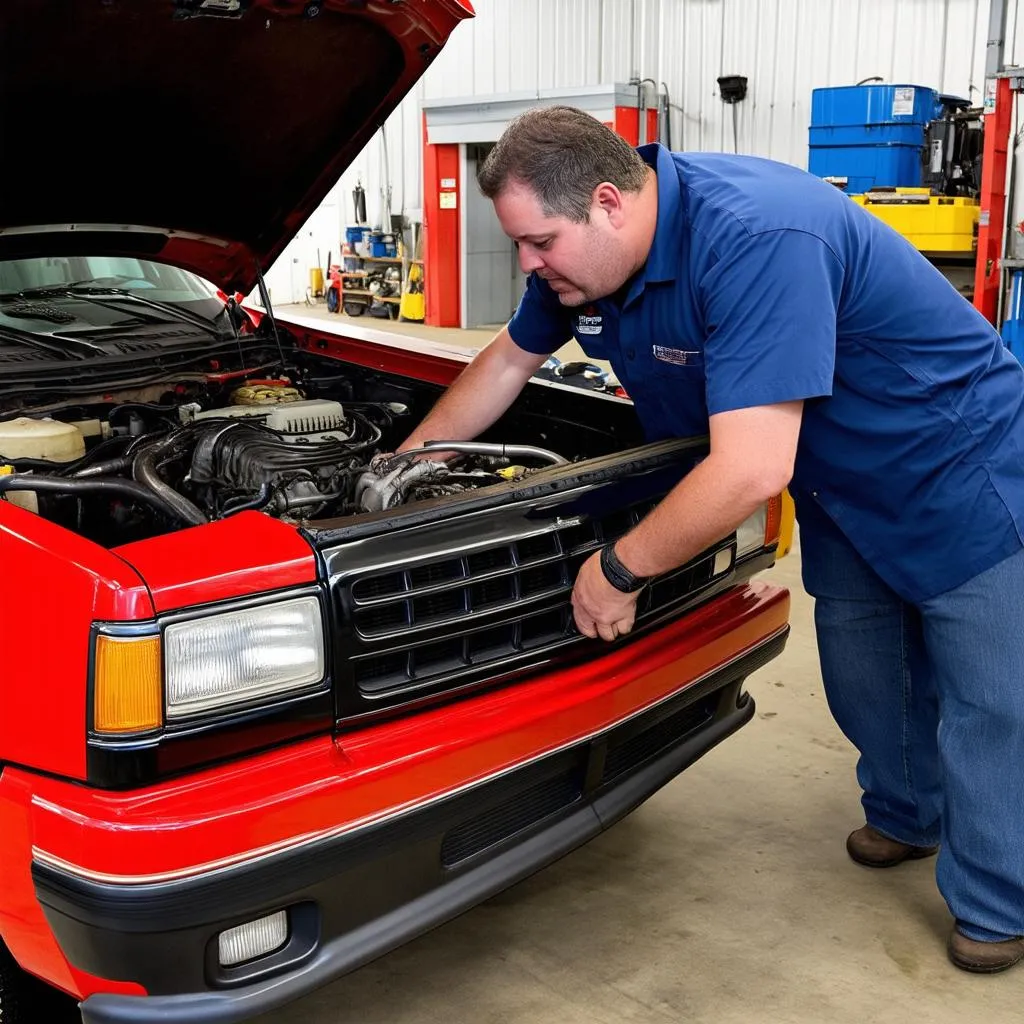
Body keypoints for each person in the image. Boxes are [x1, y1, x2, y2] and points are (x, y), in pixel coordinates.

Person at [395, 104, 1024, 972]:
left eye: (539, 242)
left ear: (609, 202)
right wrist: (404, 469)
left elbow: (750, 470)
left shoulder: (759, 236)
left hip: (955, 463)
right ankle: (909, 815)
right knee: (865, 673)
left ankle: (999, 898)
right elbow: (505, 361)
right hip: (839, 477)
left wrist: (618, 569)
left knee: (992, 703)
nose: (529, 266)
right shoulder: (586, 267)